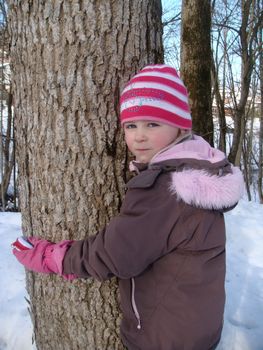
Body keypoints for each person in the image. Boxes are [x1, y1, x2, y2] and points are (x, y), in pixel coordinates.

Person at [12, 64, 244, 350]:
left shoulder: (166, 189)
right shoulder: (200, 167)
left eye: (153, 124)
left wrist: (51, 257)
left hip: (163, 339)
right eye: (131, 125)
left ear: (180, 125)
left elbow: (114, 255)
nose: (139, 136)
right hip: (195, 330)